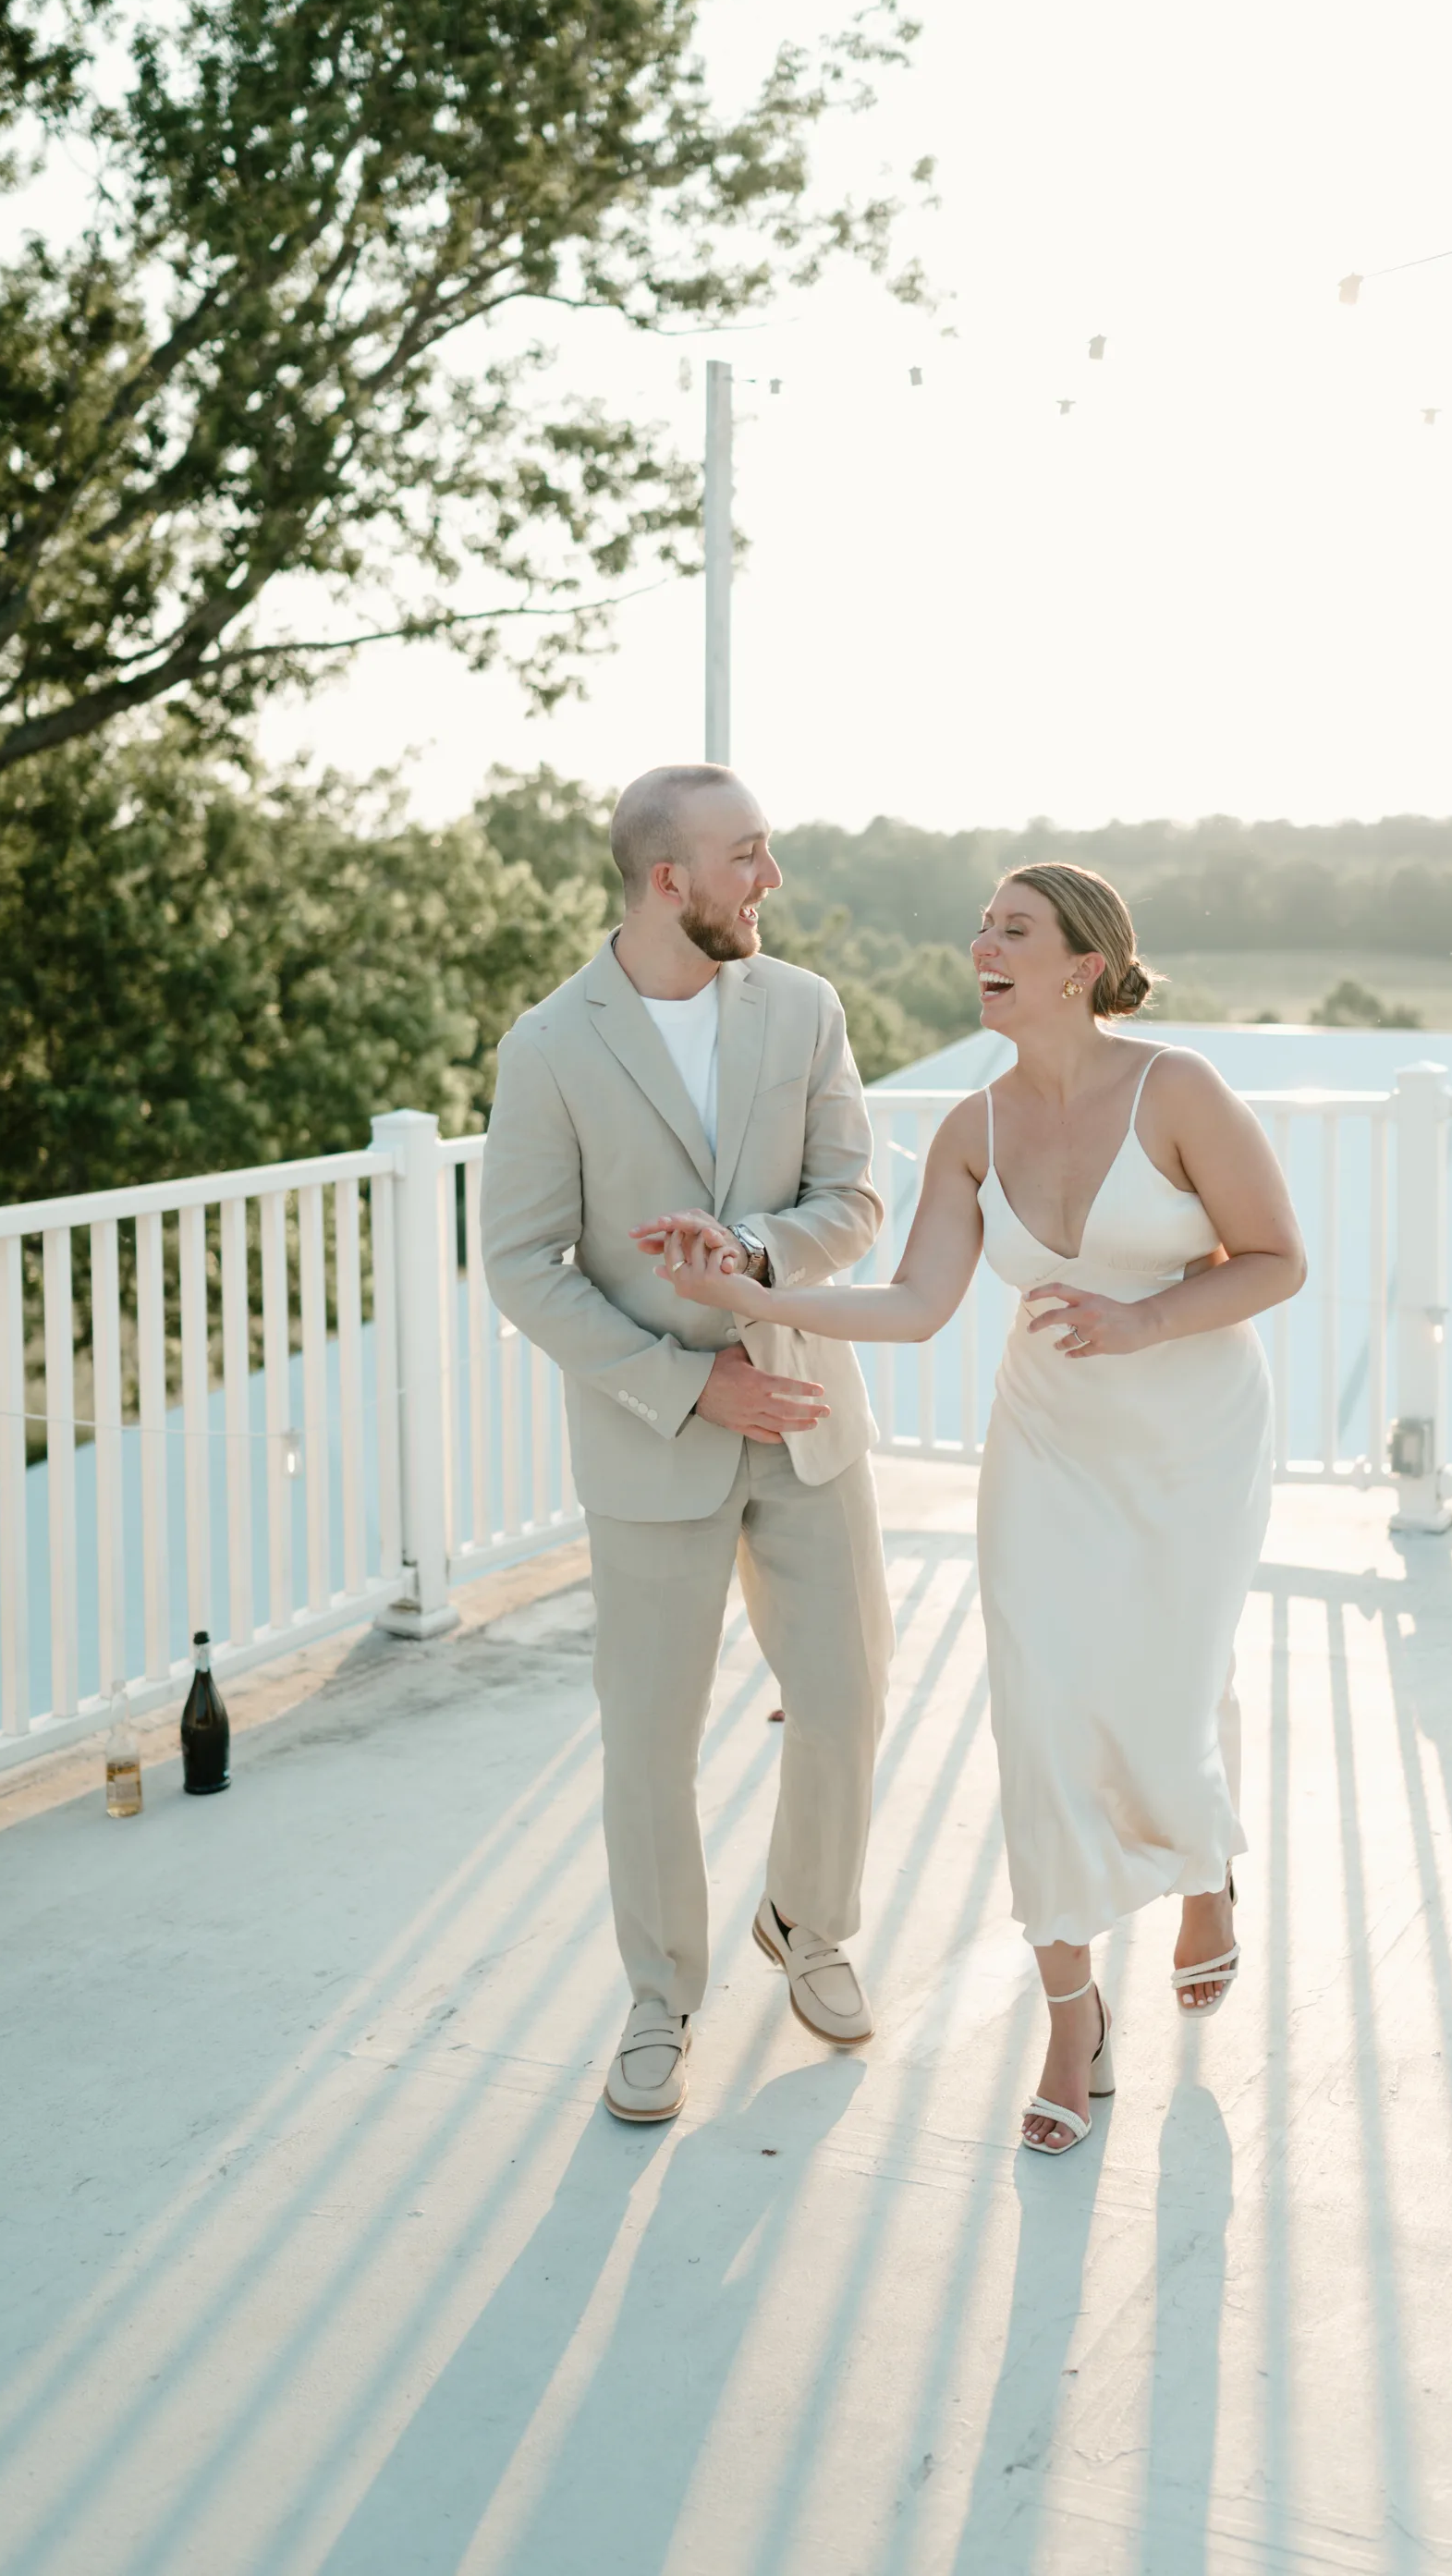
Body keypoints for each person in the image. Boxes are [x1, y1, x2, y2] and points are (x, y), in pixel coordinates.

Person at [652, 861, 1305, 2155]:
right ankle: (1073, 2018)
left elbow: (1279, 1257)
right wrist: (756, 1295)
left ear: (1082, 960)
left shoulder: (1177, 1089)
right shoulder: (971, 1127)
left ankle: (1205, 1864)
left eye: (1013, 929)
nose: (980, 946)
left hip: (1194, 1441)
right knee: (1042, 1715)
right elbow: (911, 1304)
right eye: (980, 928)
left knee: (1168, 1702)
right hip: (1049, 1442)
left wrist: (1143, 1316)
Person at [482, 764, 895, 2124]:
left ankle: (812, 1925)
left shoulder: (808, 1007)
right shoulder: (550, 1044)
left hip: (810, 1418)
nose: (770, 878)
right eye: (749, 855)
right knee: (650, 1740)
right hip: (655, 1439)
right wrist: (682, 1380)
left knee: (843, 1697)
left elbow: (856, 1195)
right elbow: (521, 1265)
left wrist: (762, 1253)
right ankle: (661, 1998)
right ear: (672, 881)